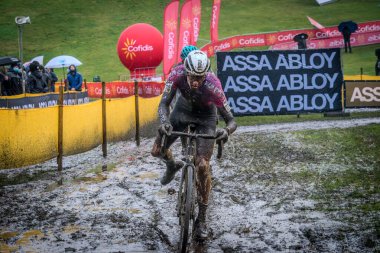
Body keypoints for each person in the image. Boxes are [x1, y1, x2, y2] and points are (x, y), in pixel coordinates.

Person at [151, 50, 237, 240]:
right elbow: (163, 104)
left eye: (200, 77)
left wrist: (226, 131)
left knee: (202, 166)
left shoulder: (213, 85)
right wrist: (165, 121)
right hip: (182, 112)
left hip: (206, 118)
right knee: (157, 151)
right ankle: (172, 165)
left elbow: (231, 120)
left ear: (206, 73)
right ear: (185, 71)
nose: (196, 81)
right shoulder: (176, 74)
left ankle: (202, 220)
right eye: (192, 76)